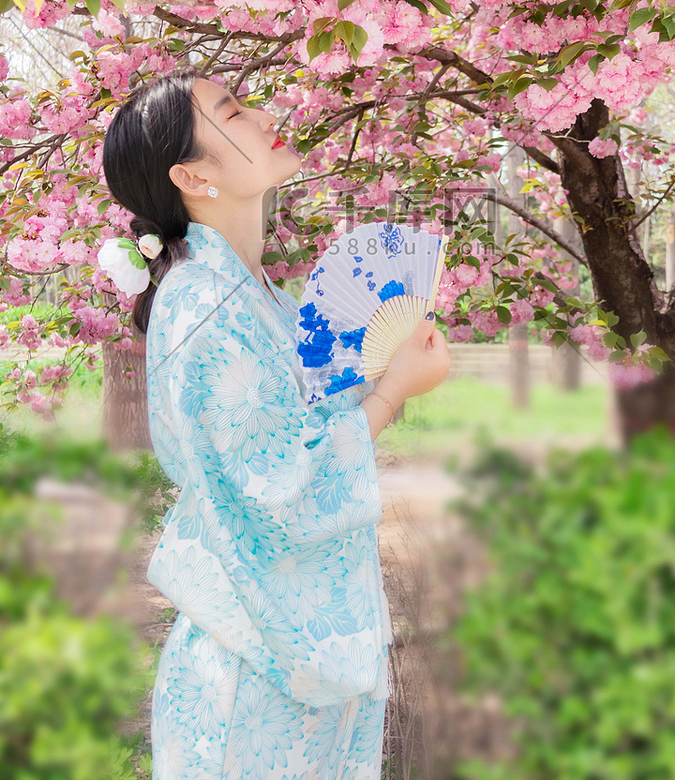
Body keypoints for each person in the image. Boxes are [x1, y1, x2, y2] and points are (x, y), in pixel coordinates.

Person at [101, 63, 452, 780]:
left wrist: (386, 374)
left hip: (287, 662)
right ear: (194, 177)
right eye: (232, 114)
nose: (263, 116)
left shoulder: (264, 298)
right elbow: (276, 483)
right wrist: (392, 392)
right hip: (251, 676)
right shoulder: (203, 307)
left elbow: (308, 427)